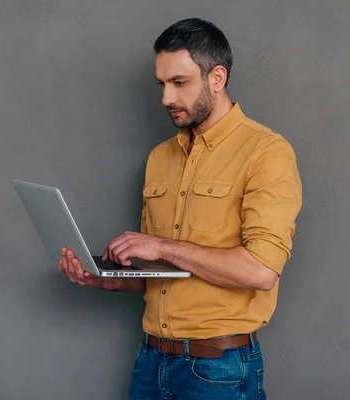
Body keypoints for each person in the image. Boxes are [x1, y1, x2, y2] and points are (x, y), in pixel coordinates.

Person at [59, 17, 302, 400]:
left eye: (180, 83)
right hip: (150, 362)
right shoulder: (160, 158)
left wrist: (161, 247)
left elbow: (261, 270)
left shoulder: (267, 153)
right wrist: (106, 278)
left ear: (216, 78)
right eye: (162, 84)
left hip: (216, 368)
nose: (166, 98)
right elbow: (162, 275)